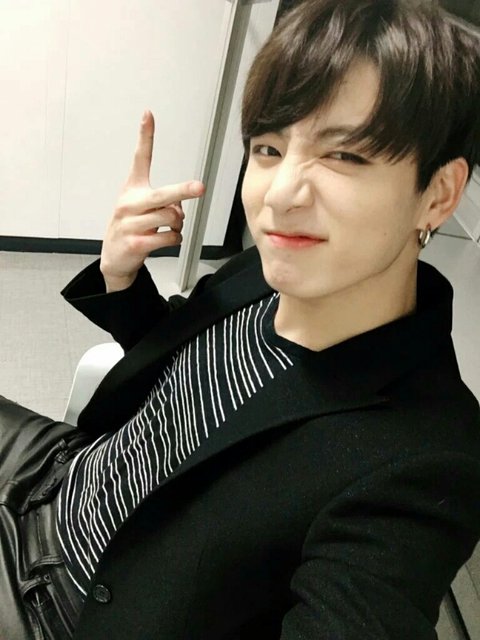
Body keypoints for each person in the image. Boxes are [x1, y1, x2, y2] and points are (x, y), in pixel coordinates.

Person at [1, 0, 480, 638]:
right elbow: (189, 367)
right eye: (270, 148)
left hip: (61, 607)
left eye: (344, 156)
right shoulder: (272, 268)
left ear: (438, 193)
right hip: (59, 472)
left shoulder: (424, 460)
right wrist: (122, 275)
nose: (280, 196)